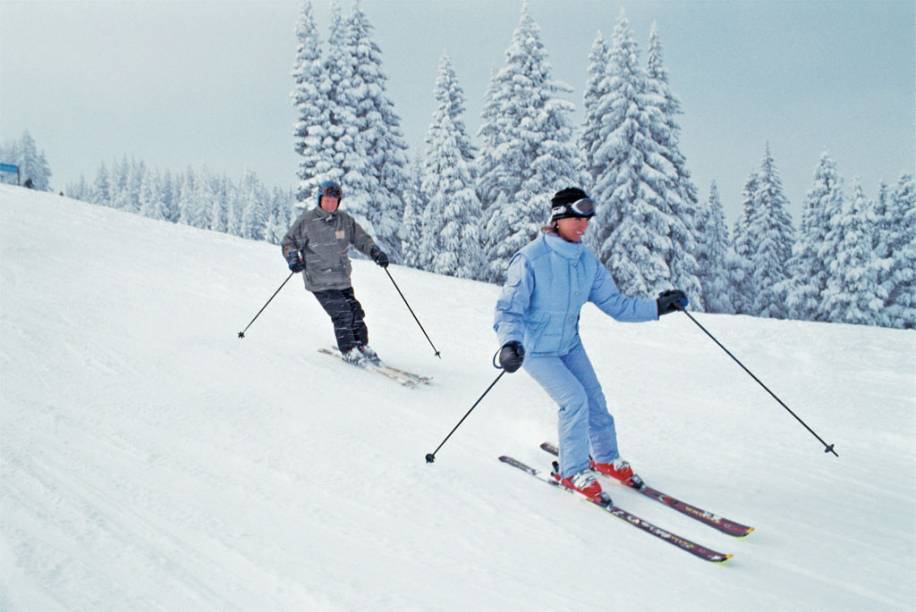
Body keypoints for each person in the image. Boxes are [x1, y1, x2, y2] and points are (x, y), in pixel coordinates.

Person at [493, 187, 688, 502]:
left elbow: (617, 305)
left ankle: (606, 458)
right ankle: (572, 473)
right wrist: (509, 344)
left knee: (595, 400)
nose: (583, 225)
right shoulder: (531, 258)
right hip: (536, 350)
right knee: (574, 400)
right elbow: (508, 309)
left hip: (568, 345)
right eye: (576, 218)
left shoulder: (586, 261)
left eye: (587, 219)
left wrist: (658, 307)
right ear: (557, 219)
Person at [281, 179, 390, 366]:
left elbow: (362, 239)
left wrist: (375, 252)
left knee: (356, 312)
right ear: (320, 199)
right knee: (342, 313)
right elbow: (289, 242)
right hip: (319, 279)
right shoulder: (307, 221)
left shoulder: (344, 221)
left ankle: (361, 345)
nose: (330, 203)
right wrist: (292, 257)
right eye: (327, 199)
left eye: (334, 200)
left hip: (341, 278)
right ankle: (348, 349)